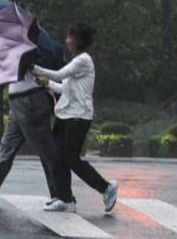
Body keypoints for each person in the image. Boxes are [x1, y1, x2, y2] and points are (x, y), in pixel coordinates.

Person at [32, 23, 118, 214]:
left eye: (70, 37)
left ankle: (106, 188)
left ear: (79, 40)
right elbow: (65, 88)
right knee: (56, 156)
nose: (67, 40)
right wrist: (47, 84)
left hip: (79, 117)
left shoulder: (83, 60)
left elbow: (59, 74)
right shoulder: (76, 61)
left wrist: (36, 68)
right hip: (66, 115)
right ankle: (65, 199)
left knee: (71, 158)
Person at [0, 71, 60, 205]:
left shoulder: (32, 51)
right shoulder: (13, 51)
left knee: (45, 148)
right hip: (17, 100)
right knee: (7, 146)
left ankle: (61, 193)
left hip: (31, 98)